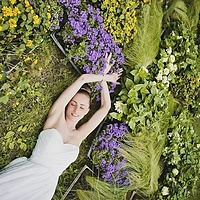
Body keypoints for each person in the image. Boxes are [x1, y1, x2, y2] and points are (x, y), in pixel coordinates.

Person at [0, 53, 123, 200]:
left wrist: (104, 79)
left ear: (88, 111)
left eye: (82, 107)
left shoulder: (79, 134)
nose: (76, 110)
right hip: (27, 174)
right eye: (73, 104)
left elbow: (105, 107)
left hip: (45, 188)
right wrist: (106, 77)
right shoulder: (56, 117)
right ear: (67, 103)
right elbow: (82, 79)